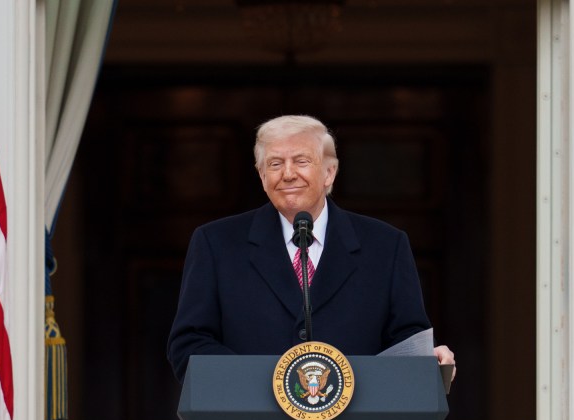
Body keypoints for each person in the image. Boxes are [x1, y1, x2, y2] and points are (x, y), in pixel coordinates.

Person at [167, 114, 455, 381]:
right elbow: (189, 343)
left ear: (329, 172)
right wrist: (263, 384)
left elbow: (407, 341)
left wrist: (428, 360)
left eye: (301, 161)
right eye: (275, 164)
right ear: (261, 175)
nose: (288, 174)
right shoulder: (216, 243)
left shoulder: (385, 245)